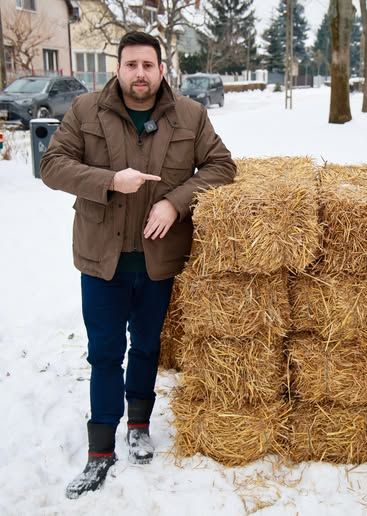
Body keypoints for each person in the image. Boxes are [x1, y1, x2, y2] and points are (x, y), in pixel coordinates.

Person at [40, 31, 236, 498]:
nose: (140, 73)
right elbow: (52, 165)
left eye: (148, 65)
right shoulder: (86, 110)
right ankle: (100, 448)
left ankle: (139, 426)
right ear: (118, 68)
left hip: (157, 260)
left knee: (146, 346)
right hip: (101, 260)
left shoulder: (190, 115)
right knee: (105, 353)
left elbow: (221, 167)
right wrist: (110, 180)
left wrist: (175, 203)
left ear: (162, 69)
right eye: (131, 65)